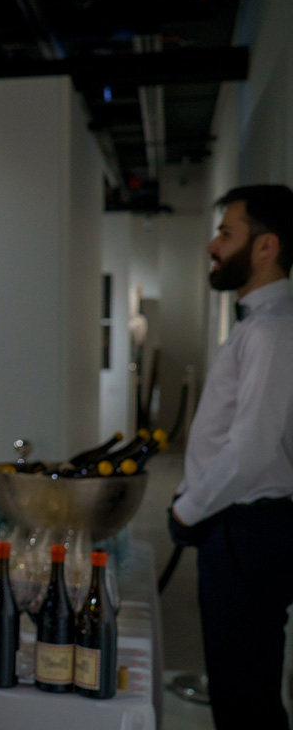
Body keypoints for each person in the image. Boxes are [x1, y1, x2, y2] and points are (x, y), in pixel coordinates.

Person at [169, 184, 293, 730]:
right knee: (238, 687)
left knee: (245, 698)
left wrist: (186, 510)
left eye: (225, 233)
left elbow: (251, 447)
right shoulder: (259, 325)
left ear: (266, 246)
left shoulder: (270, 331)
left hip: (248, 530)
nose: (212, 246)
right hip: (240, 526)